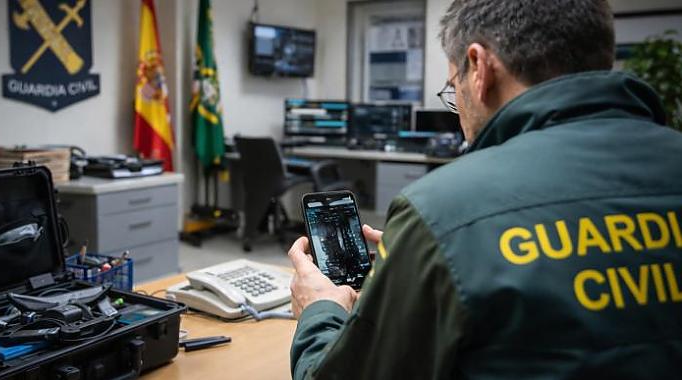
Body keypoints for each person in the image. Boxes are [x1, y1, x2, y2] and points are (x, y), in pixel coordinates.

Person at [288, 0, 682, 379]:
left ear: (478, 68)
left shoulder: (440, 209)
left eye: (452, 88)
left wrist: (319, 308)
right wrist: (419, 267)